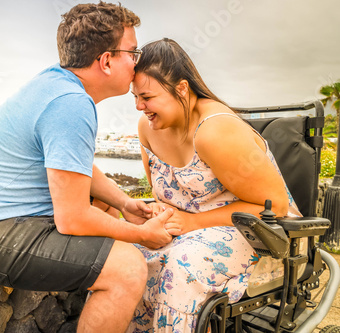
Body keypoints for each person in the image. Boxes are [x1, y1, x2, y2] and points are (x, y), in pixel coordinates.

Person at [0, 3, 175, 332]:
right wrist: (141, 235)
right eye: (132, 51)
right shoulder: (70, 104)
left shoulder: (58, 85)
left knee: (104, 208)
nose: (137, 61)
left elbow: (74, 168)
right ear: (106, 61)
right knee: (128, 269)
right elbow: (72, 218)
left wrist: (124, 203)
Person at [127, 38, 301, 332]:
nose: (138, 106)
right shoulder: (148, 128)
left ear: (181, 89)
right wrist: (154, 213)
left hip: (263, 233)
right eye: (134, 97)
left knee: (182, 267)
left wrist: (193, 223)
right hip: (194, 230)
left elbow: (274, 206)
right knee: (129, 255)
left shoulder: (215, 131)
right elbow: (170, 199)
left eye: (146, 97)